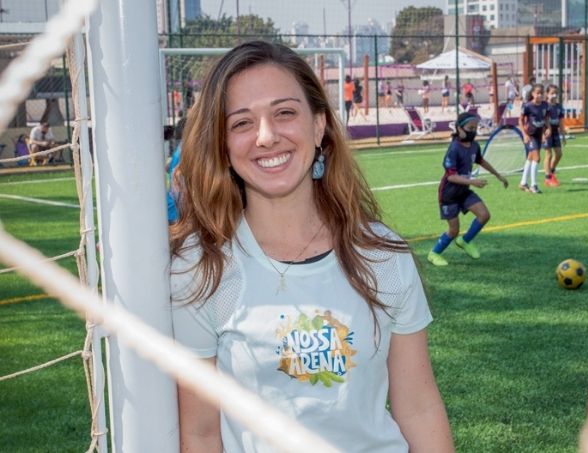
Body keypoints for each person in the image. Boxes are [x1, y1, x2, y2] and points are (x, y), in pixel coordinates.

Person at [170, 40, 454, 453]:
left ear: (318, 125)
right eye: (242, 123)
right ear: (223, 145)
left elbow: (419, 406)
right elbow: (200, 433)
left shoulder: (382, 254)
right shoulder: (201, 268)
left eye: (285, 113)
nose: (266, 137)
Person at [427, 112, 508, 267]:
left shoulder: (474, 146)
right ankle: (434, 253)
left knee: (484, 215)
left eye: (475, 128)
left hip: (464, 192)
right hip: (449, 194)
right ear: (459, 128)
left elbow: (481, 161)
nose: (473, 131)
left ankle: (465, 241)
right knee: (453, 230)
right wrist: (473, 181)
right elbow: (451, 177)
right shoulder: (454, 148)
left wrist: (498, 175)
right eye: (470, 128)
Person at [519, 84, 549, 194]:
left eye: (541, 93)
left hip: (538, 135)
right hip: (530, 135)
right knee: (537, 158)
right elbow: (521, 120)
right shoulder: (527, 106)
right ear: (532, 94)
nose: (539, 95)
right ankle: (533, 185)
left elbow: (545, 119)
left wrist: (548, 129)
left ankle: (523, 183)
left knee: (530, 158)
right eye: (537, 93)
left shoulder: (545, 105)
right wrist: (524, 134)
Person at [543, 84, 566, 187]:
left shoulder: (559, 107)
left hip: (555, 132)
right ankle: (547, 178)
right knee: (549, 154)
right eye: (552, 93)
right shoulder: (544, 106)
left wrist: (563, 134)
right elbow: (543, 119)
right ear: (547, 94)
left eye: (556, 93)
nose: (554, 95)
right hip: (547, 132)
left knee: (559, 154)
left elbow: (561, 121)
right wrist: (543, 134)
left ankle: (551, 172)